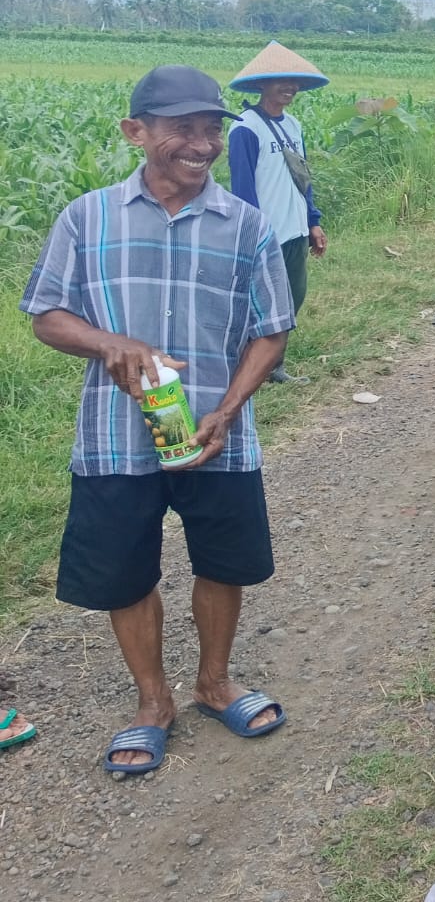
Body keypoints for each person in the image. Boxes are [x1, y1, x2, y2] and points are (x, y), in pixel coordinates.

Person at [20, 65, 294, 777]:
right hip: (115, 437)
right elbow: (46, 313)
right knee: (125, 571)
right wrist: (108, 343)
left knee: (223, 562)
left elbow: (272, 330)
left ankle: (215, 684)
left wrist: (227, 411)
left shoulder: (246, 226)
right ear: (135, 132)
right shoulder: (87, 218)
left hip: (215, 433)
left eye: (210, 130)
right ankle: (152, 702)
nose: (201, 145)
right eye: (182, 129)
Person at [228, 40, 330, 384]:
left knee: (292, 298)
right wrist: (254, 232)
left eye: (294, 81)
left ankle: (273, 366)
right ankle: (251, 365)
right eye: (281, 81)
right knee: (263, 303)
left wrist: (313, 220)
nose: (290, 87)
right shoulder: (245, 128)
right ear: (261, 84)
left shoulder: (294, 125)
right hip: (267, 232)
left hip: (295, 228)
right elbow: (243, 189)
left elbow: (303, 177)